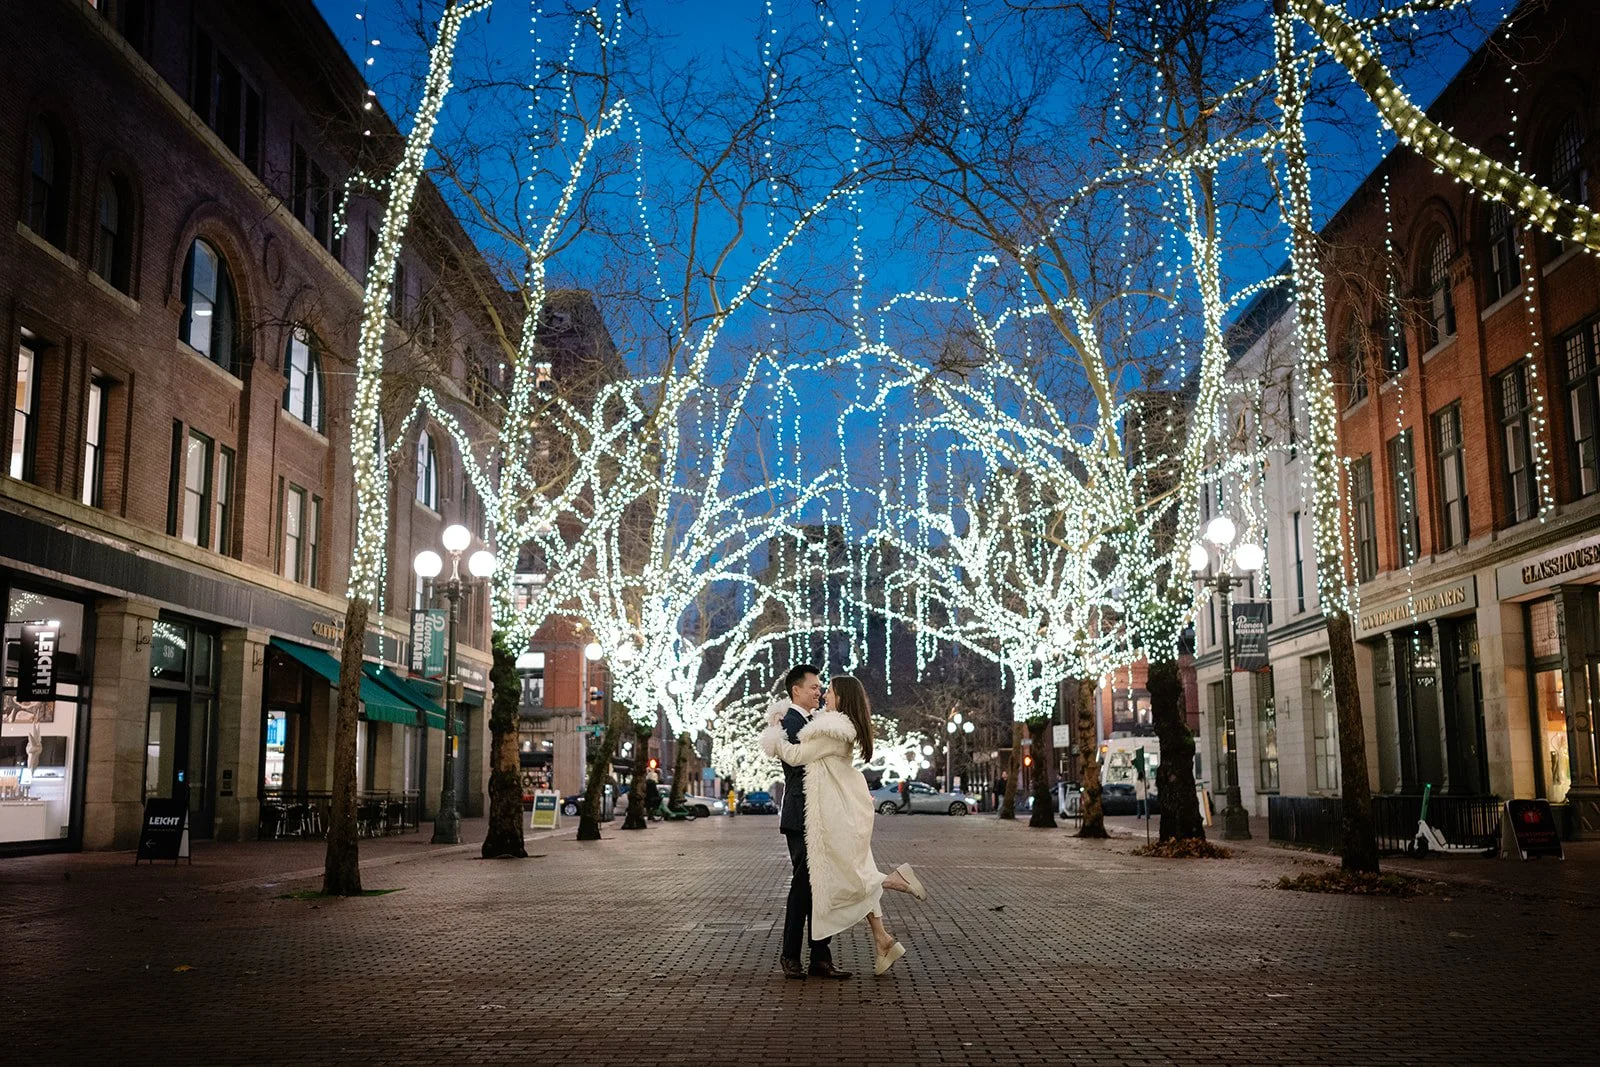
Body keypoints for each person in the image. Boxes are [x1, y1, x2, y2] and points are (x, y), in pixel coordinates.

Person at [762, 673, 927, 977]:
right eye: (814, 687)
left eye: (826, 690)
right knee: (812, 884)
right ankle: (803, 955)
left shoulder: (825, 727)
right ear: (795, 690)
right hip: (805, 814)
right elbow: (796, 764)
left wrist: (774, 735)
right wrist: (778, 727)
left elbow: (797, 755)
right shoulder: (795, 721)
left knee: (829, 880)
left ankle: (822, 956)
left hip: (825, 812)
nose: (821, 693)